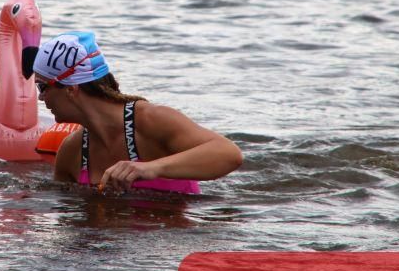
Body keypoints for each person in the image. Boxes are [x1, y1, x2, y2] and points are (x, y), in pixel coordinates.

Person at [32, 31, 243, 193]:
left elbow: (229, 154)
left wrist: (151, 168)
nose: (40, 97)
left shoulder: (150, 121)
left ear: (71, 89)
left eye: (42, 87)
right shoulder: (72, 152)